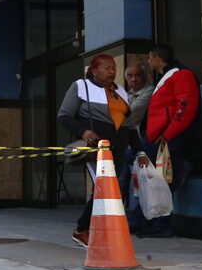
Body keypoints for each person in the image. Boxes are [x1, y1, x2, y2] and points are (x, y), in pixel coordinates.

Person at [58, 54, 145, 249]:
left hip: (119, 150)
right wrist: (83, 131)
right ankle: (82, 230)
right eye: (107, 68)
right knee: (103, 189)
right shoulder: (81, 86)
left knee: (111, 191)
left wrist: (140, 152)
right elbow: (64, 115)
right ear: (94, 70)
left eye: (113, 68)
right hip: (94, 149)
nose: (112, 71)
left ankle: (94, 233)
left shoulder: (121, 91)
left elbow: (130, 126)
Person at [137, 44, 200, 238]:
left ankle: (162, 225)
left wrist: (168, 134)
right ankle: (154, 222)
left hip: (168, 141)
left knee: (163, 182)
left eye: (149, 58)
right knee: (155, 182)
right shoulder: (168, 76)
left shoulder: (180, 74)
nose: (148, 62)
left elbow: (185, 108)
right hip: (159, 140)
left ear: (156, 58)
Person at [120, 63, 154, 210]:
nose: (134, 79)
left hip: (140, 146)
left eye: (138, 75)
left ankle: (134, 221)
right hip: (124, 146)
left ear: (144, 76)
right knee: (120, 182)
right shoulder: (126, 95)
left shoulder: (149, 91)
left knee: (135, 185)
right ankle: (115, 217)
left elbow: (130, 114)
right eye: (130, 76)